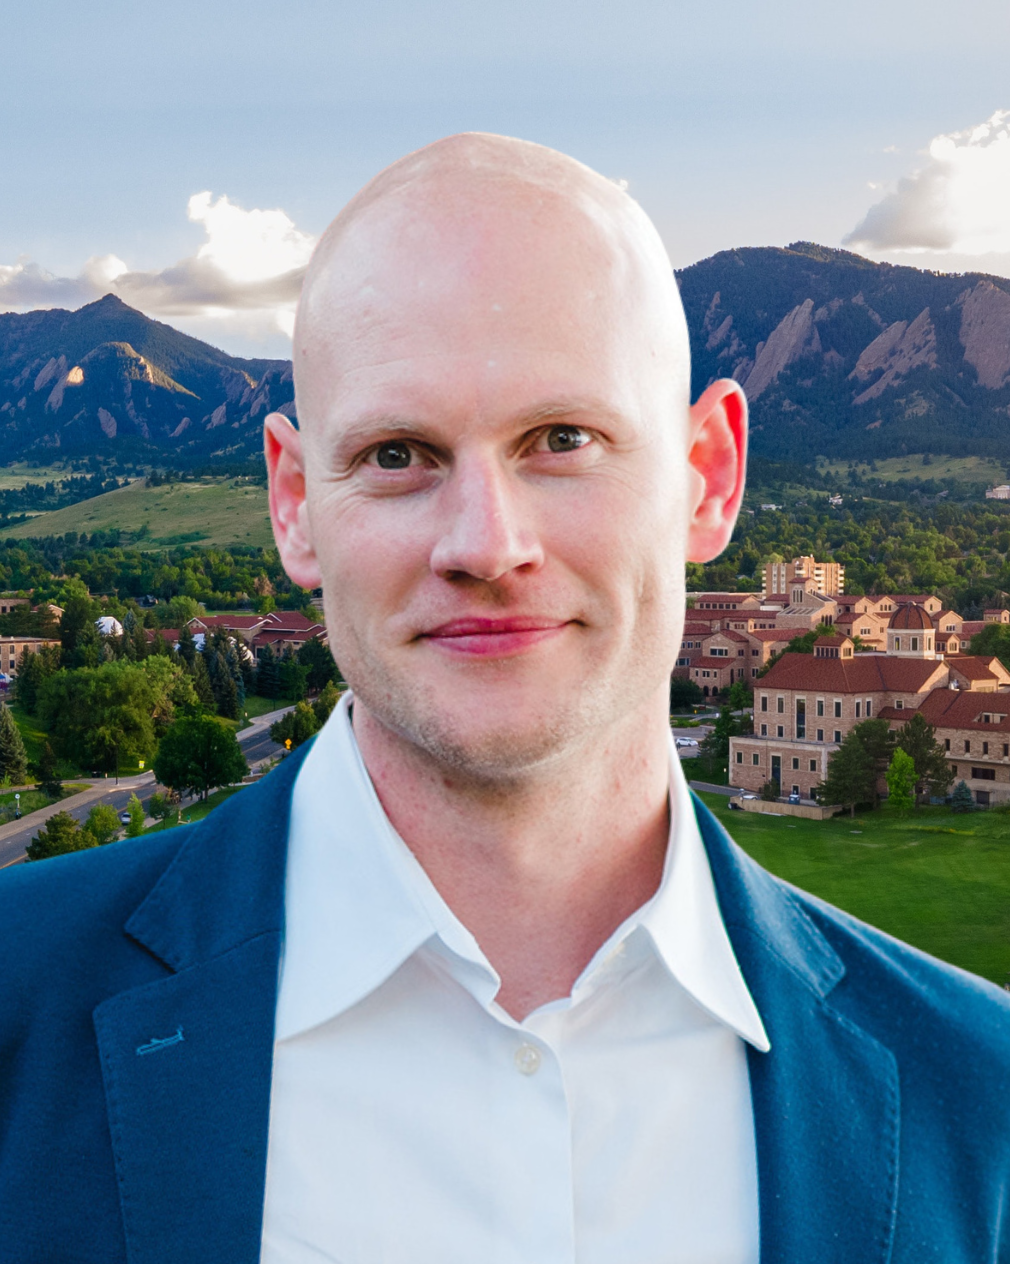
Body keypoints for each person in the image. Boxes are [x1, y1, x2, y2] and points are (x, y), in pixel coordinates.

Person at [0, 134, 1008, 1263]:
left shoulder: (981, 1102)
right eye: (396, 454)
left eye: (561, 438)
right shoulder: (16, 1008)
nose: (486, 543)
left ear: (707, 478)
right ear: (292, 504)